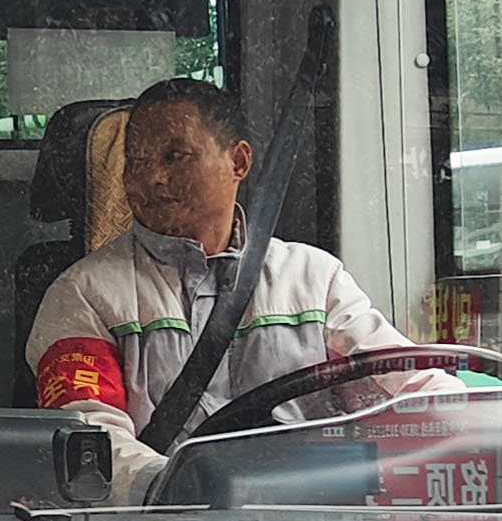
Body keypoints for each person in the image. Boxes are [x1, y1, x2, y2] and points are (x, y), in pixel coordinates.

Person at [25, 77, 421, 496]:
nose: (152, 177)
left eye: (174, 156)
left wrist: (460, 428)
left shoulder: (314, 279)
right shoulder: (83, 293)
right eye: (136, 161)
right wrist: (172, 488)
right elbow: (86, 436)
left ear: (238, 162)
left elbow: (409, 388)